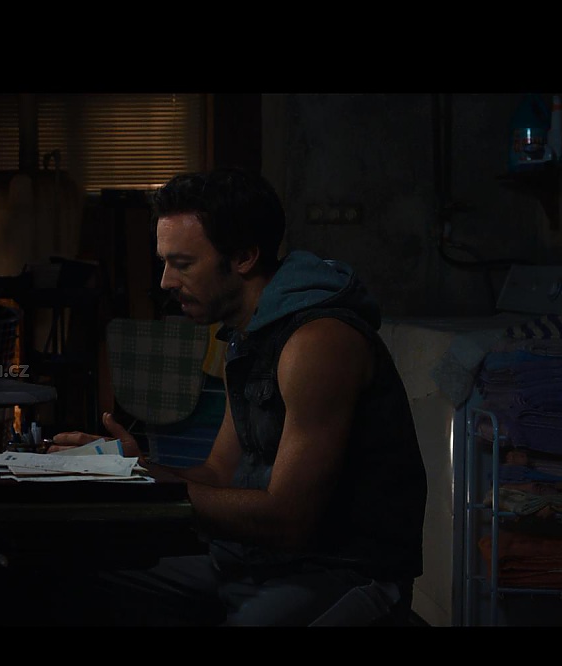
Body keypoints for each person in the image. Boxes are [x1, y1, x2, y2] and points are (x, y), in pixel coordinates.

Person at [48, 167, 427, 626]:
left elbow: (289, 519)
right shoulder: (246, 336)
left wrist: (149, 481)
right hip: (252, 561)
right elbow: (217, 474)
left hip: (339, 571)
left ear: (245, 256)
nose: (166, 281)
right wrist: (128, 468)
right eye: (165, 262)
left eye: (183, 264)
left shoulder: (318, 342)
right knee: (74, 578)